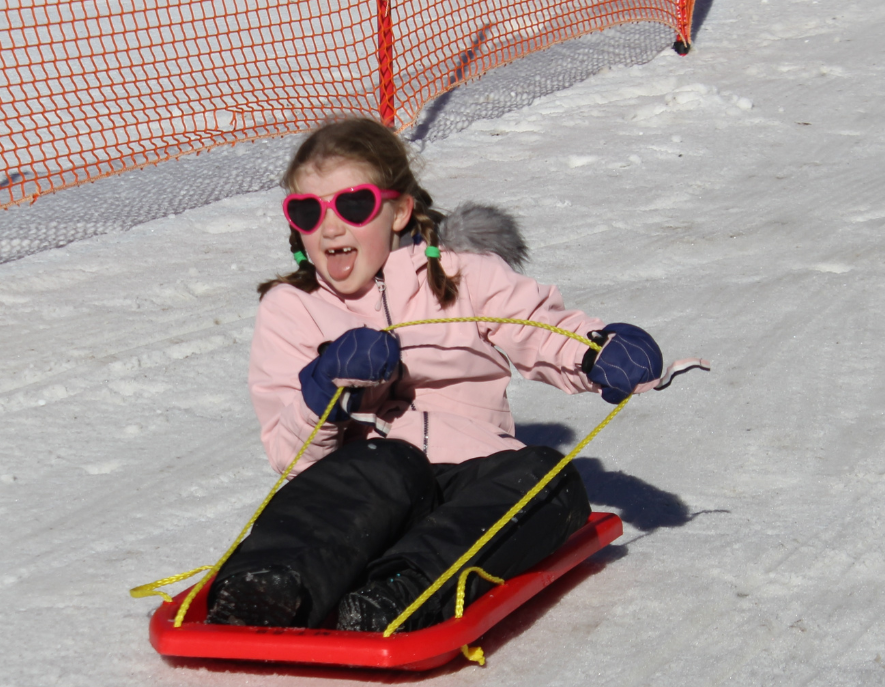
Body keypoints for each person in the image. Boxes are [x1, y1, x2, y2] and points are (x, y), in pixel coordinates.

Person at [205, 117, 662, 633]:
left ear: (398, 210)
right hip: (371, 489)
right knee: (380, 464)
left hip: (473, 473)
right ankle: (269, 585)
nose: (330, 226)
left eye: (353, 205)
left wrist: (596, 353)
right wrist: (324, 388)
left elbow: (539, 330)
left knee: (549, 480)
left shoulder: (466, 276)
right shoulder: (294, 308)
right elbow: (292, 457)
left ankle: (398, 591)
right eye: (307, 212)